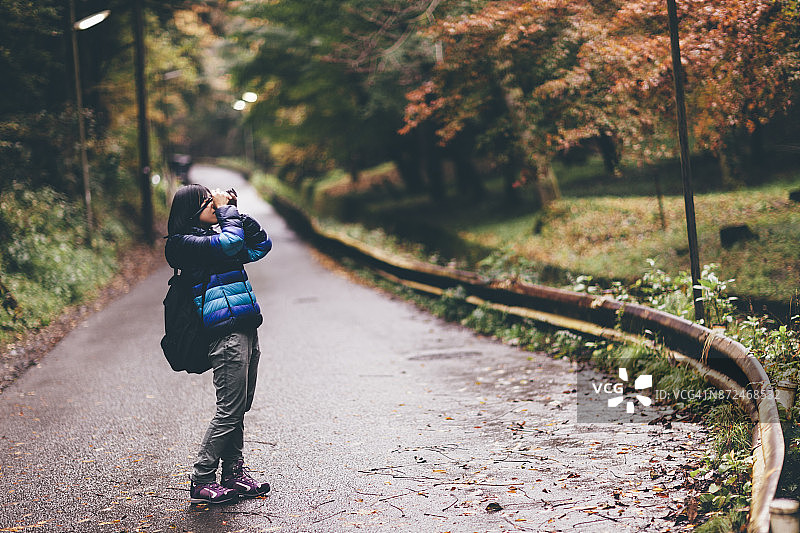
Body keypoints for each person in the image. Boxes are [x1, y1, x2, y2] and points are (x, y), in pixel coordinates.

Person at [165, 184, 273, 504]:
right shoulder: (182, 243)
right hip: (224, 334)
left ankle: (233, 474)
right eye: (207, 202)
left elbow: (260, 245)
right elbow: (229, 244)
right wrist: (227, 216)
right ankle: (202, 478)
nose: (215, 205)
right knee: (229, 410)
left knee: (240, 406)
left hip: (246, 328)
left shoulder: (220, 233)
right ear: (190, 210)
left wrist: (235, 213)